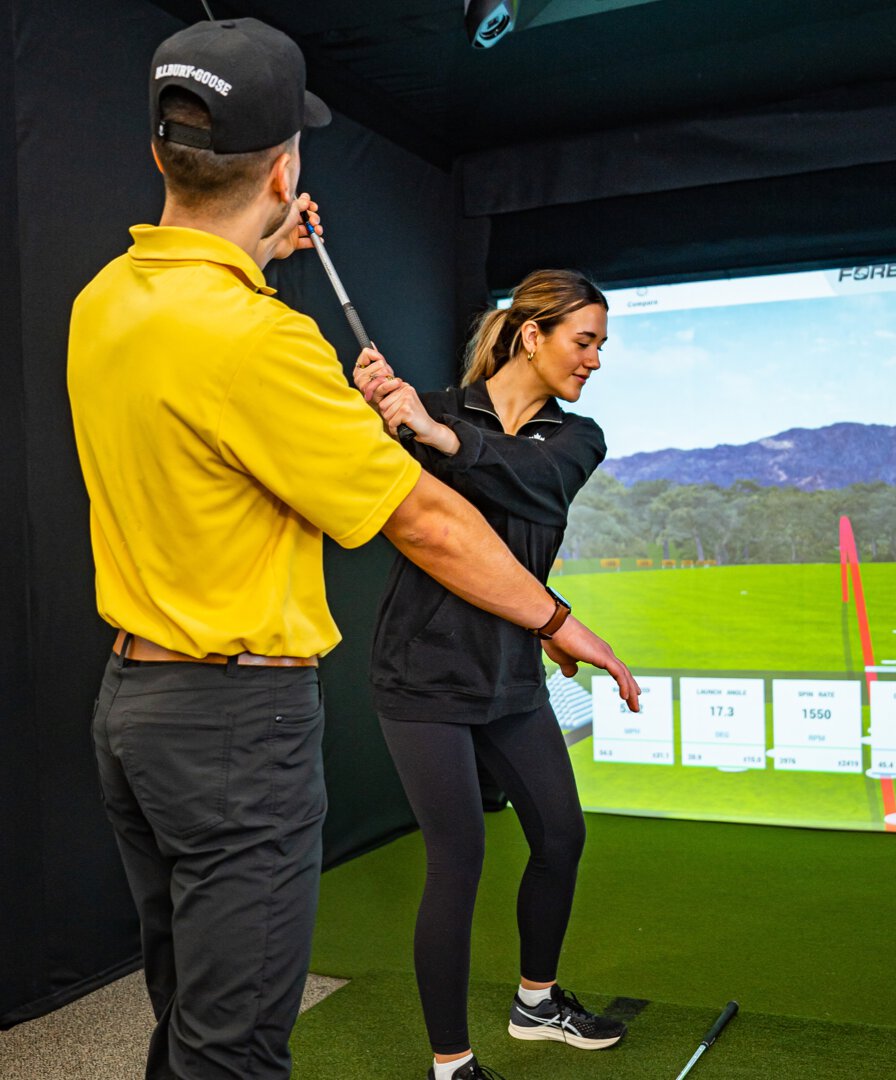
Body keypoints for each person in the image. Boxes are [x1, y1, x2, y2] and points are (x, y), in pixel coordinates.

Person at [67, 20, 638, 1080]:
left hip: (133, 712)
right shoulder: (261, 339)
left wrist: (262, 250)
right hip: (235, 728)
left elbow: (214, 373)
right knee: (234, 1046)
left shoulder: (105, 302)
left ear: (160, 153)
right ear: (285, 168)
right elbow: (425, 519)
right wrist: (564, 623)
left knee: (187, 1014)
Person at [355, 270, 630, 1080]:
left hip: (511, 676)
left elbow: (531, 485)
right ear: (529, 335)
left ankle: (536, 1003)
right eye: (585, 342)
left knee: (561, 834)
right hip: (422, 676)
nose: (595, 361)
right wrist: (375, 409)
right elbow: (382, 496)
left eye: (601, 346)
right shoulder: (427, 409)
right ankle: (453, 1064)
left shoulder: (575, 440)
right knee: (459, 855)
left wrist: (442, 440)